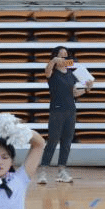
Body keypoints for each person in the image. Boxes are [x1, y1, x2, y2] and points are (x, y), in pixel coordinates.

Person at [37, 46, 92, 184]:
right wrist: (54, 61)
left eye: (66, 56)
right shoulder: (52, 72)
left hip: (70, 111)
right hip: (57, 110)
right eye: (61, 55)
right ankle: (43, 171)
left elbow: (74, 93)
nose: (64, 58)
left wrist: (86, 89)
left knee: (66, 142)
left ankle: (62, 171)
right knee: (53, 140)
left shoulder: (71, 74)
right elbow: (47, 71)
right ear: (55, 57)